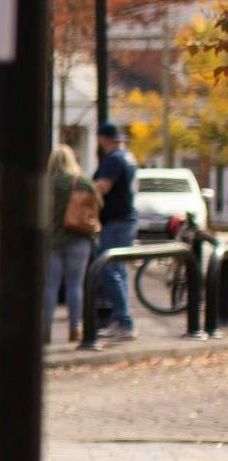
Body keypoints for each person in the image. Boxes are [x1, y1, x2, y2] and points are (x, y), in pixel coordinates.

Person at [47, 144, 102, 344]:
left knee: (50, 286)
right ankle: (74, 328)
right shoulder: (82, 182)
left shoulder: (47, 183)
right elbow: (99, 203)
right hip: (79, 238)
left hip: (51, 240)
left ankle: (46, 329)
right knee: (75, 285)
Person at [92, 121, 139, 343]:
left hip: (116, 221)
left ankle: (122, 321)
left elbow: (103, 186)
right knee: (118, 271)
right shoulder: (127, 157)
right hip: (126, 219)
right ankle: (122, 321)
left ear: (103, 138)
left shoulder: (112, 159)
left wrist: (83, 187)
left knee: (110, 270)